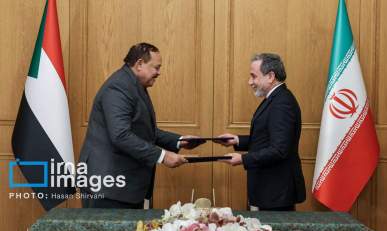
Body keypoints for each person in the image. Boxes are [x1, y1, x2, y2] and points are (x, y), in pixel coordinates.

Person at [79, 42, 203, 209]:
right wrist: (163, 156)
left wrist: (179, 140)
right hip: (109, 187)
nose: (159, 73)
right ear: (139, 64)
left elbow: (142, 130)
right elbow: (121, 135)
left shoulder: (133, 84)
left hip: (121, 187)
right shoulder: (119, 88)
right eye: (156, 67)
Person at [216, 53, 306, 211]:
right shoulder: (275, 98)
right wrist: (237, 140)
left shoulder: (282, 103)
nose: (250, 82)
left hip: (275, 193)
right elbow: (265, 138)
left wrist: (244, 159)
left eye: (253, 76)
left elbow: (278, 150)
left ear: (270, 76)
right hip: (267, 191)